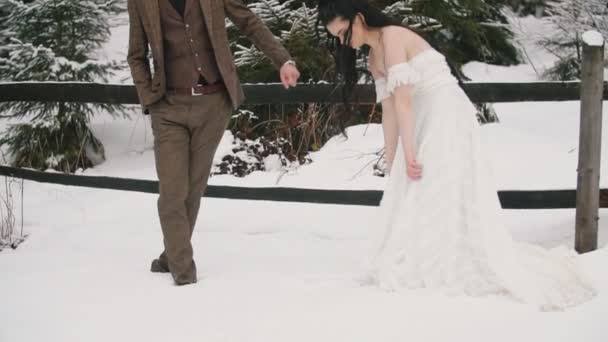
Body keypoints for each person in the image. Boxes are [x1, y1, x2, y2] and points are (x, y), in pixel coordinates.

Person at [317, 0, 595, 310]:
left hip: (446, 111)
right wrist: (394, 157)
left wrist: (410, 151)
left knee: (436, 180)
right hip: (421, 117)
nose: (343, 41)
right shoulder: (373, 58)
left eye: (343, 32)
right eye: (336, 37)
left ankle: (453, 256)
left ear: (357, 18)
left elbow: (405, 102)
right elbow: (390, 112)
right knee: (414, 183)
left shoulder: (393, 36)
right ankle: (429, 254)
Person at [127, 0, 300, 285]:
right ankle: (184, 276)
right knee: (173, 192)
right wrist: (150, 98)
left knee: (193, 189)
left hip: (213, 103)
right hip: (168, 107)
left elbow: (247, 20)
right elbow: (136, 54)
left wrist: (283, 59)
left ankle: (171, 255)